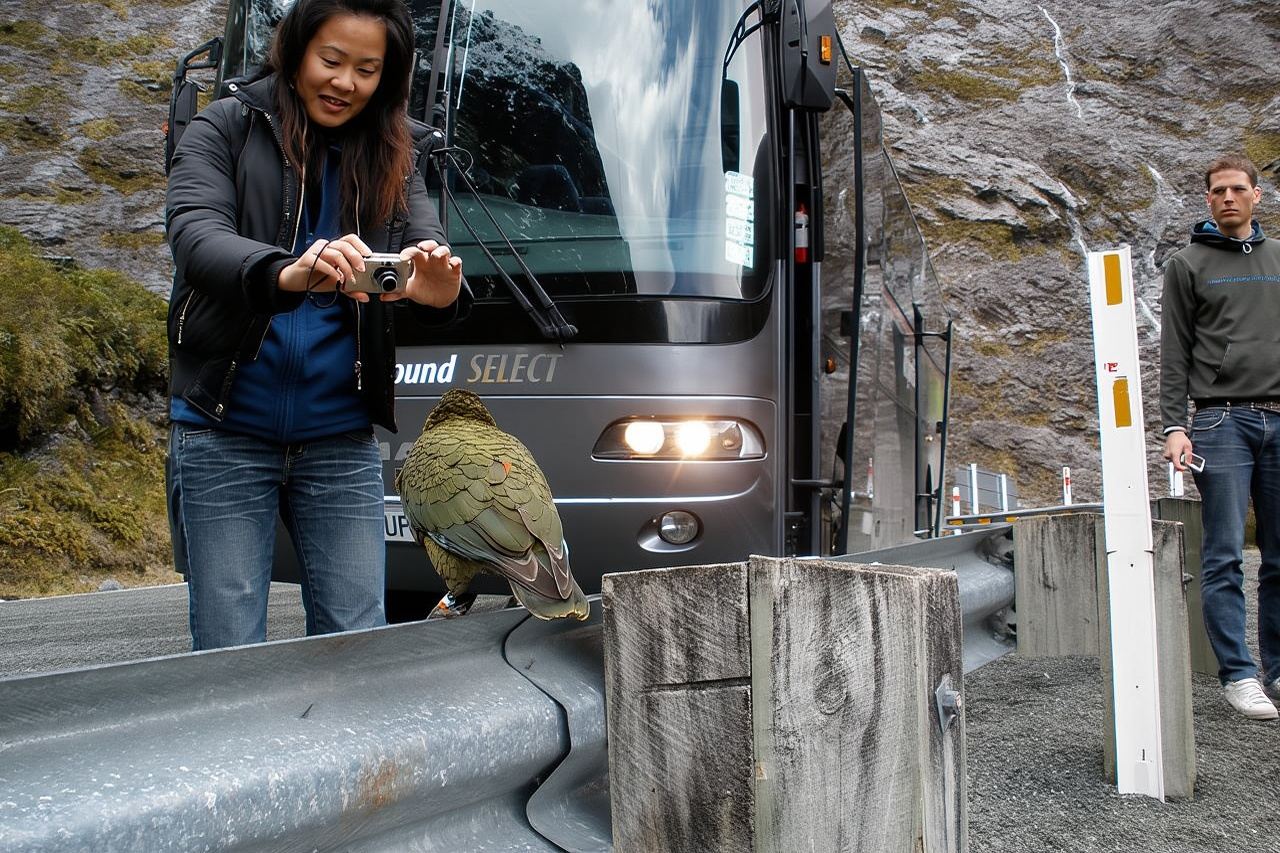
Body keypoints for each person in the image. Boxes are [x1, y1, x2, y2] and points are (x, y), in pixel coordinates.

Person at [164, 0, 470, 651]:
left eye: (367, 68)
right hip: (222, 425)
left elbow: (425, 256)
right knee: (228, 653)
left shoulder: (397, 152)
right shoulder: (225, 128)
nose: (345, 82)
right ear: (296, 51)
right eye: (332, 60)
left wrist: (437, 288)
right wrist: (289, 272)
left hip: (339, 436)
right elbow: (197, 238)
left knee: (356, 647)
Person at [1160, 153, 1280, 720]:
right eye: (1217, 191)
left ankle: (1278, 669)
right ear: (1207, 200)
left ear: (1257, 195)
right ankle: (1239, 674)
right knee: (1225, 554)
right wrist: (1174, 424)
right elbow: (1174, 352)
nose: (1227, 198)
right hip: (1219, 421)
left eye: (1237, 189)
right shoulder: (1187, 265)